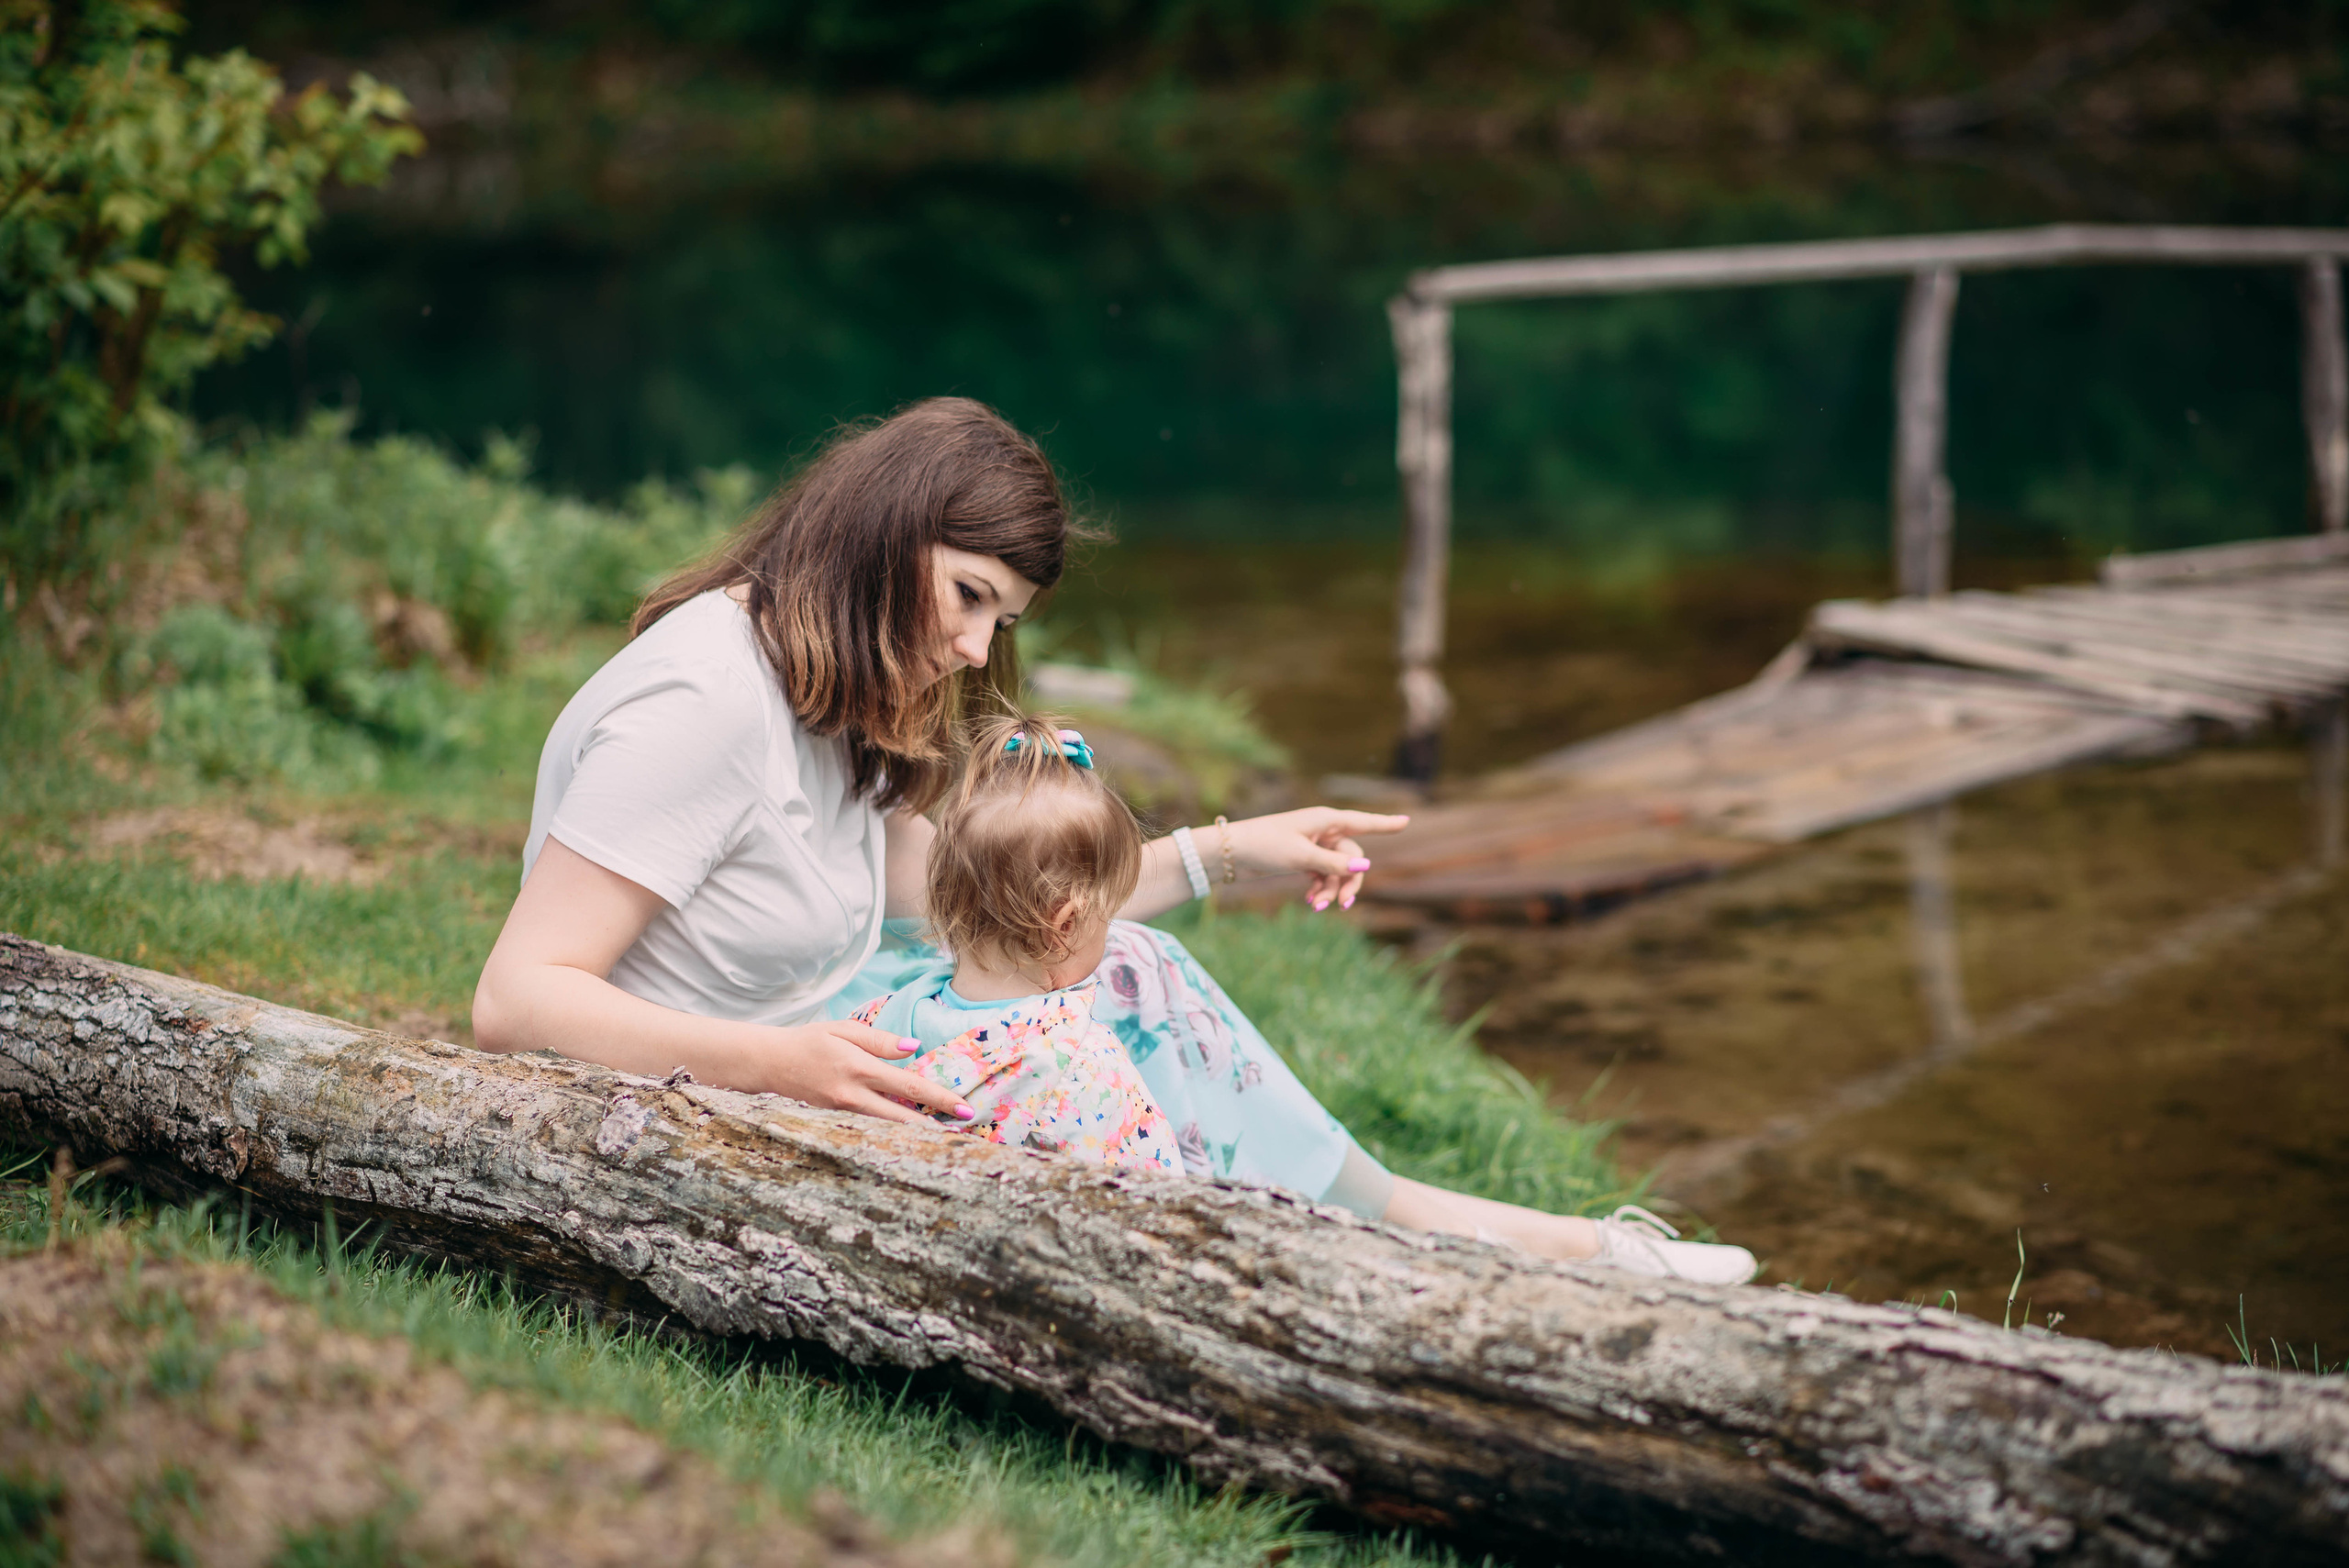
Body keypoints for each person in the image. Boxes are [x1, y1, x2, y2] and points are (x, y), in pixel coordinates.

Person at [473, 395, 1756, 1284]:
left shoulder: (819, 676)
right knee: (1082, 1033)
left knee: (1126, 975)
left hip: (820, 1031)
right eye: (971, 597)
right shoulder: (703, 699)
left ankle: (1442, 1231)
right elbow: (518, 1000)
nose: (978, 649)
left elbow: (975, 896)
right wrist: (774, 1064)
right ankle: (1323, 1251)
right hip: (709, 1088)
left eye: (999, 616)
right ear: (879, 534)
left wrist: (1228, 850)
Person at [846, 712, 1179, 1176]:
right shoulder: (1087, 1070)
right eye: (1108, 916)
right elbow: (1157, 1199)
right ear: (1065, 926)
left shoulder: (869, 1030)